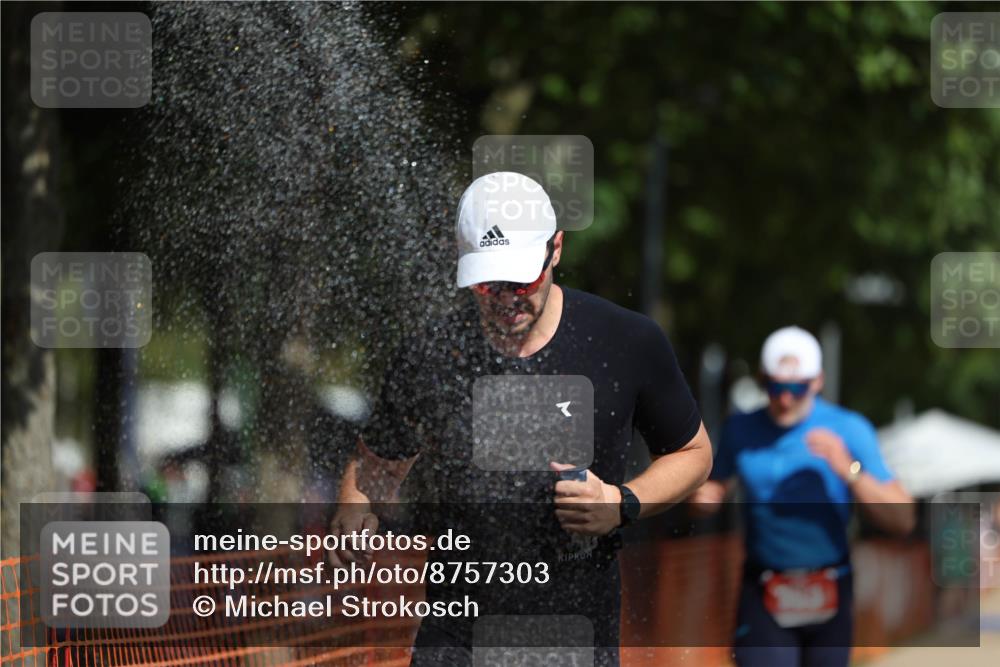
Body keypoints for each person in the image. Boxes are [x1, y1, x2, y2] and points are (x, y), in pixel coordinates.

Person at [328, 172, 713, 666]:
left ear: (556, 250)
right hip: (455, 637)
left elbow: (692, 453)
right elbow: (376, 466)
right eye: (489, 283)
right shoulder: (430, 355)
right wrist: (353, 513)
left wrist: (620, 502)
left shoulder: (627, 342)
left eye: (521, 279)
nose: (507, 298)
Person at [690, 326, 915, 667]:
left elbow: (903, 518)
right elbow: (712, 488)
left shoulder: (849, 429)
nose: (785, 398)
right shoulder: (741, 429)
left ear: (818, 381)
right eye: (776, 386)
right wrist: (695, 494)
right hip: (764, 586)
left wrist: (848, 469)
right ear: (763, 379)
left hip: (829, 586)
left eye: (797, 387)